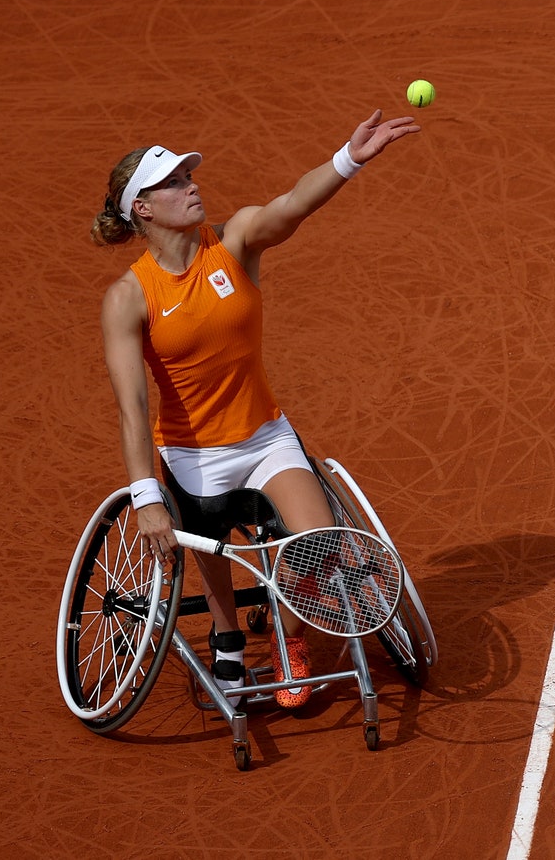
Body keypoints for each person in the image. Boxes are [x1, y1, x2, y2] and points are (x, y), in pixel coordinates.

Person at [92, 110, 421, 708]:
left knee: (318, 543)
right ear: (141, 207)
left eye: (188, 177)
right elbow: (132, 410)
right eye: (172, 182)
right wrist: (145, 499)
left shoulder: (236, 240)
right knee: (210, 546)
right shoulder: (129, 297)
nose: (191, 186)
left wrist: (349, 159)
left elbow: (291, 205)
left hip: (266, 438)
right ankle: (225, 637)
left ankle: (286, 634)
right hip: (193, 455)